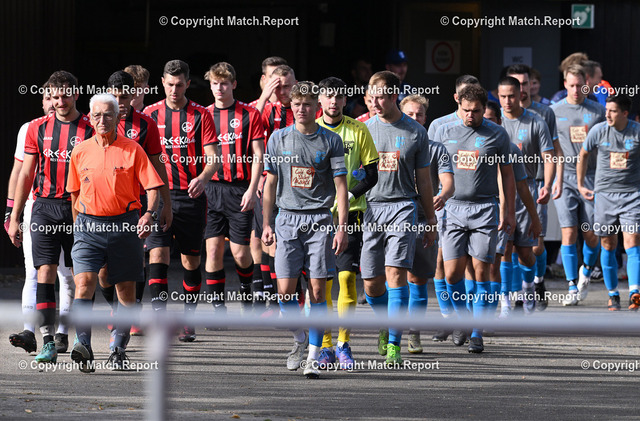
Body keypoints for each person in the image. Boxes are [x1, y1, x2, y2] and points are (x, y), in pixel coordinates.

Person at [67, 93, 163, 372]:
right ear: (89, 118)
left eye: (108, 115)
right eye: (96, 115)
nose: (102, 120)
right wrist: (77, 228)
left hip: (125, 225)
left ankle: (118, 349)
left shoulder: (133, 149)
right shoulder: (80, 151)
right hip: (88, 226)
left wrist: (149, 214)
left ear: (118, 117)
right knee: (84, 283)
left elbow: (153, 187)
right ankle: (83, 346)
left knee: (125, 290)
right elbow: (74, 194)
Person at [261, 81, 349, 379]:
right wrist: (266, 223)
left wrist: (341, 227)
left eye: (308, 104)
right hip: (286, 219)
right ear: (291, 106)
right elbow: (270, 183)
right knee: (285, 293)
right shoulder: (278, 138)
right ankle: (299, 339)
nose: (301, 109)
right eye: (297, 104)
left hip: (320, 220)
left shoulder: (331, 140)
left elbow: (341, 186)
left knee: (318, 291)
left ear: (317, 107)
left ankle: (312, 357)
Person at [8, 71, 94, 364]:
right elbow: (25, 174)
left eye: (65, 95)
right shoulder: (37, 128)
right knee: (43, 272)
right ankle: (47, 342)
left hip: (78, 210)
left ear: (76, 94)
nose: (60, 101)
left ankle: (81, 340)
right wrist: (14, 216)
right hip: (44, 208)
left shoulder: (91, 129)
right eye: (55, 96)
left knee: (81, 277)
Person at [433, 84, 516, 353]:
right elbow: (429, 169)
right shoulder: (443, 131)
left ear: (483, 109)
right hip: (452, 209)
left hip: (484, 209)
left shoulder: (498, 134)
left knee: (482, 272)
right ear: (458, 105)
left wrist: (509, 211)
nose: (470, 115)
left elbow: (508, 176)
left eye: (476, 111)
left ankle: (477, 333)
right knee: (451, 274)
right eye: (466, 110)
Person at [362, 71, 437, 364]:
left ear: (394, 96)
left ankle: (394, 344)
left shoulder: (416, 132)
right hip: (371, 209)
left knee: (396, 274)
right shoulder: (363, 129)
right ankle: (386, 322)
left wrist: (431, 221)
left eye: (381, 96)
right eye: (372, 96)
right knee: (371, 282)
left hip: (403, 207)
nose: (375, 102)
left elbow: (425, 181)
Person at [143, 60, 219, 341]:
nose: (174, 90)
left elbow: (213, 158)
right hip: (159, 196)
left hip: (190, 196)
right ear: (162, 83)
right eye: (170, 84)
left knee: (190, 260)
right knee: (157, 255)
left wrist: (204, 177)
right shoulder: (150, 114)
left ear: (188, 84)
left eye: (179, 85)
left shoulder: (201, 115)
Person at [97, 70, 172, 341]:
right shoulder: (96, 121)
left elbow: (158, 165)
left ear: (134, 94)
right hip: (103, 204)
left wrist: (165, 204)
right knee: (103, 271)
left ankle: (131, 313)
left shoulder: (147, 125)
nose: (121, 102)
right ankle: (116, 307)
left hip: (136, 205)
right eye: (116, 96)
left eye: (125, 96)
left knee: (135, 260)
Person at [316, 77, 378, 369]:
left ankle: (343, 344)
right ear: (320, 100)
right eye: (328, 96)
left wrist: (347, 196)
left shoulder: (358, 129)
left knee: (346, 279)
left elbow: (373, 174)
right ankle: (325, 346)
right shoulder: (310, 129)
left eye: (338, 96)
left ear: (344, 100)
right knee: (322, 283)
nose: (333, 101)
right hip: (316, 216)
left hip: (350, 214)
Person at [6, 89, 75, 355]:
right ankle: (29, 331)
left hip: (69, 208)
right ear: (43, 101)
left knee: (66, 274)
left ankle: (62, 333)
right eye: (49, 98)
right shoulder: (30, 128)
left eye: (60, 98)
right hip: (36, 207)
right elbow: (19, 171)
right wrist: (11, 212)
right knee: (34, 271)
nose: (54, 103)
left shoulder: (81, 128)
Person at [203, 62, 264, 314]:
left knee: (240, 254)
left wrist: (252, 188)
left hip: (240, 189)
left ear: (234, 85)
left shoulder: (250, 114)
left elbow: (259, 155)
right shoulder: (203, 115)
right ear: (210, 85)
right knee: (213, 250)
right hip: (212, 190)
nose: (220, 88)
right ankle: (218, 308)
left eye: (225, 83)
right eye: (215, 83)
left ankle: (246, 290)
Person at [505, 64, 564, 310]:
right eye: (515, 84)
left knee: (535, 246)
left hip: (535, 183)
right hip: (507, 187)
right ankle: (517, 294)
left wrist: (553, 181)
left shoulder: (543, 114)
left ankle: (537, 282)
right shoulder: (499, 114)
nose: (520, 89)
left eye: (524, 83)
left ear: (531, 85)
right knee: (510, 244)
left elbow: (555, 151)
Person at [400, 94, 454, 352]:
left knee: (418, 278)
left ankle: (414, 332)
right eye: (409, 114)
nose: (414, 118)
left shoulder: (436, 149)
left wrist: (443, 194)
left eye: (419, 114)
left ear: (425, 118)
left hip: (423, 219)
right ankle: (388, 328)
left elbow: (448, 181)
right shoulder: (390, 143)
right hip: (393, 216)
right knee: (390, 276)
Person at [577, 94, 640, 311]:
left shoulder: (636, 131)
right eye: (606, 110)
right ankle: (613, 295)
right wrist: (580, 184)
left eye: (613, 111)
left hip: (632, 195)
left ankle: (635, 292)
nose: (607, 115)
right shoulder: (598, 130)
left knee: (632, 241)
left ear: (624, 113)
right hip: (604, 196)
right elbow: (583, 154)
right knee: (608, 244)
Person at [497, 76, 554, 313]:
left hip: (527, 188)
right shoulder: (494, 123)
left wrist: (547, 185)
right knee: (504, 248)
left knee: (528, 251)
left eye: (511, 96)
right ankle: (506, 302)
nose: (507, 101)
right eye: (503, 97)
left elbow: (549, 156)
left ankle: (529, 286)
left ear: (520, 93)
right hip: (500, 191)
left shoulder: (536, 122)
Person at [551, 64, 605, 306]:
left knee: (591, 233)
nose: (575, 90)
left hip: (592, 178)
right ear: (565, 84)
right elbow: (550, 148)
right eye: (571, 85)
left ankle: (586, 270)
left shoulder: (598, 111)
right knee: (569, 231)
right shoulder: (554, 111)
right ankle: (571, 284)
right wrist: (554, 180)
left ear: (587, 84)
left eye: (580, 85)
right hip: (566, 178)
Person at [427, 75, 481, 140]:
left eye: (475, 93)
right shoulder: (438, 125)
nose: (471, 97)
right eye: (466, 94)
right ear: (456, 97)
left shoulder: (490, 127)